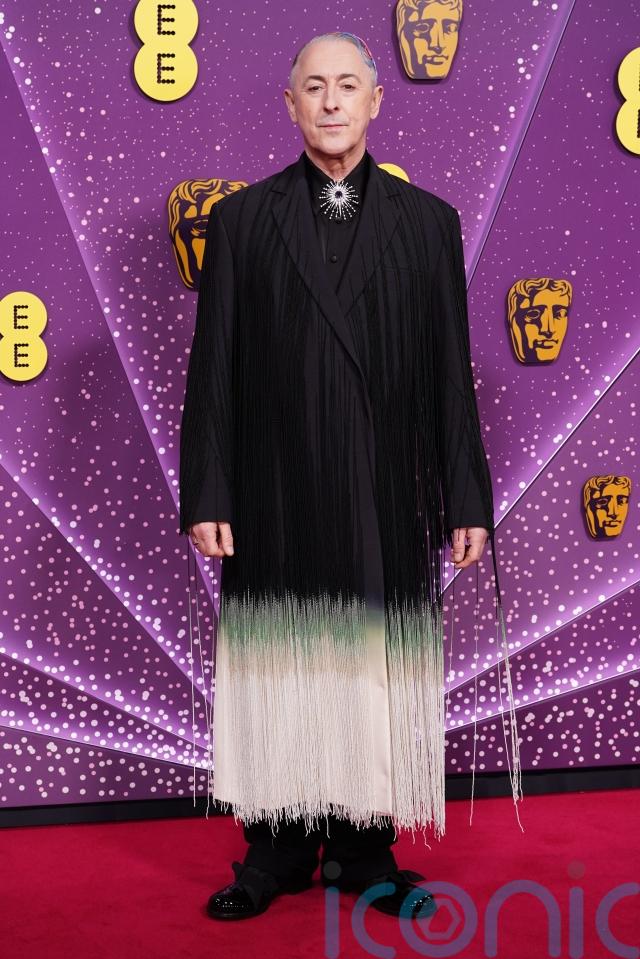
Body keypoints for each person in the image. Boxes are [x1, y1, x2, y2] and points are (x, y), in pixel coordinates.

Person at [179, 31, 522, 922]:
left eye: (346, 86)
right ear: (290, 105)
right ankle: (277, 850)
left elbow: (450, 374)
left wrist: (466, 496)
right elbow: (213, 369)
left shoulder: (429, 224)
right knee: (280, 666)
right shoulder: (242, 222)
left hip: (384, 488)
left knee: (373, 670)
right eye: (313, 87)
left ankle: (368, 851)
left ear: (376, 101)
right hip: (275, 485)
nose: (330, 102)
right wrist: (208, 490)